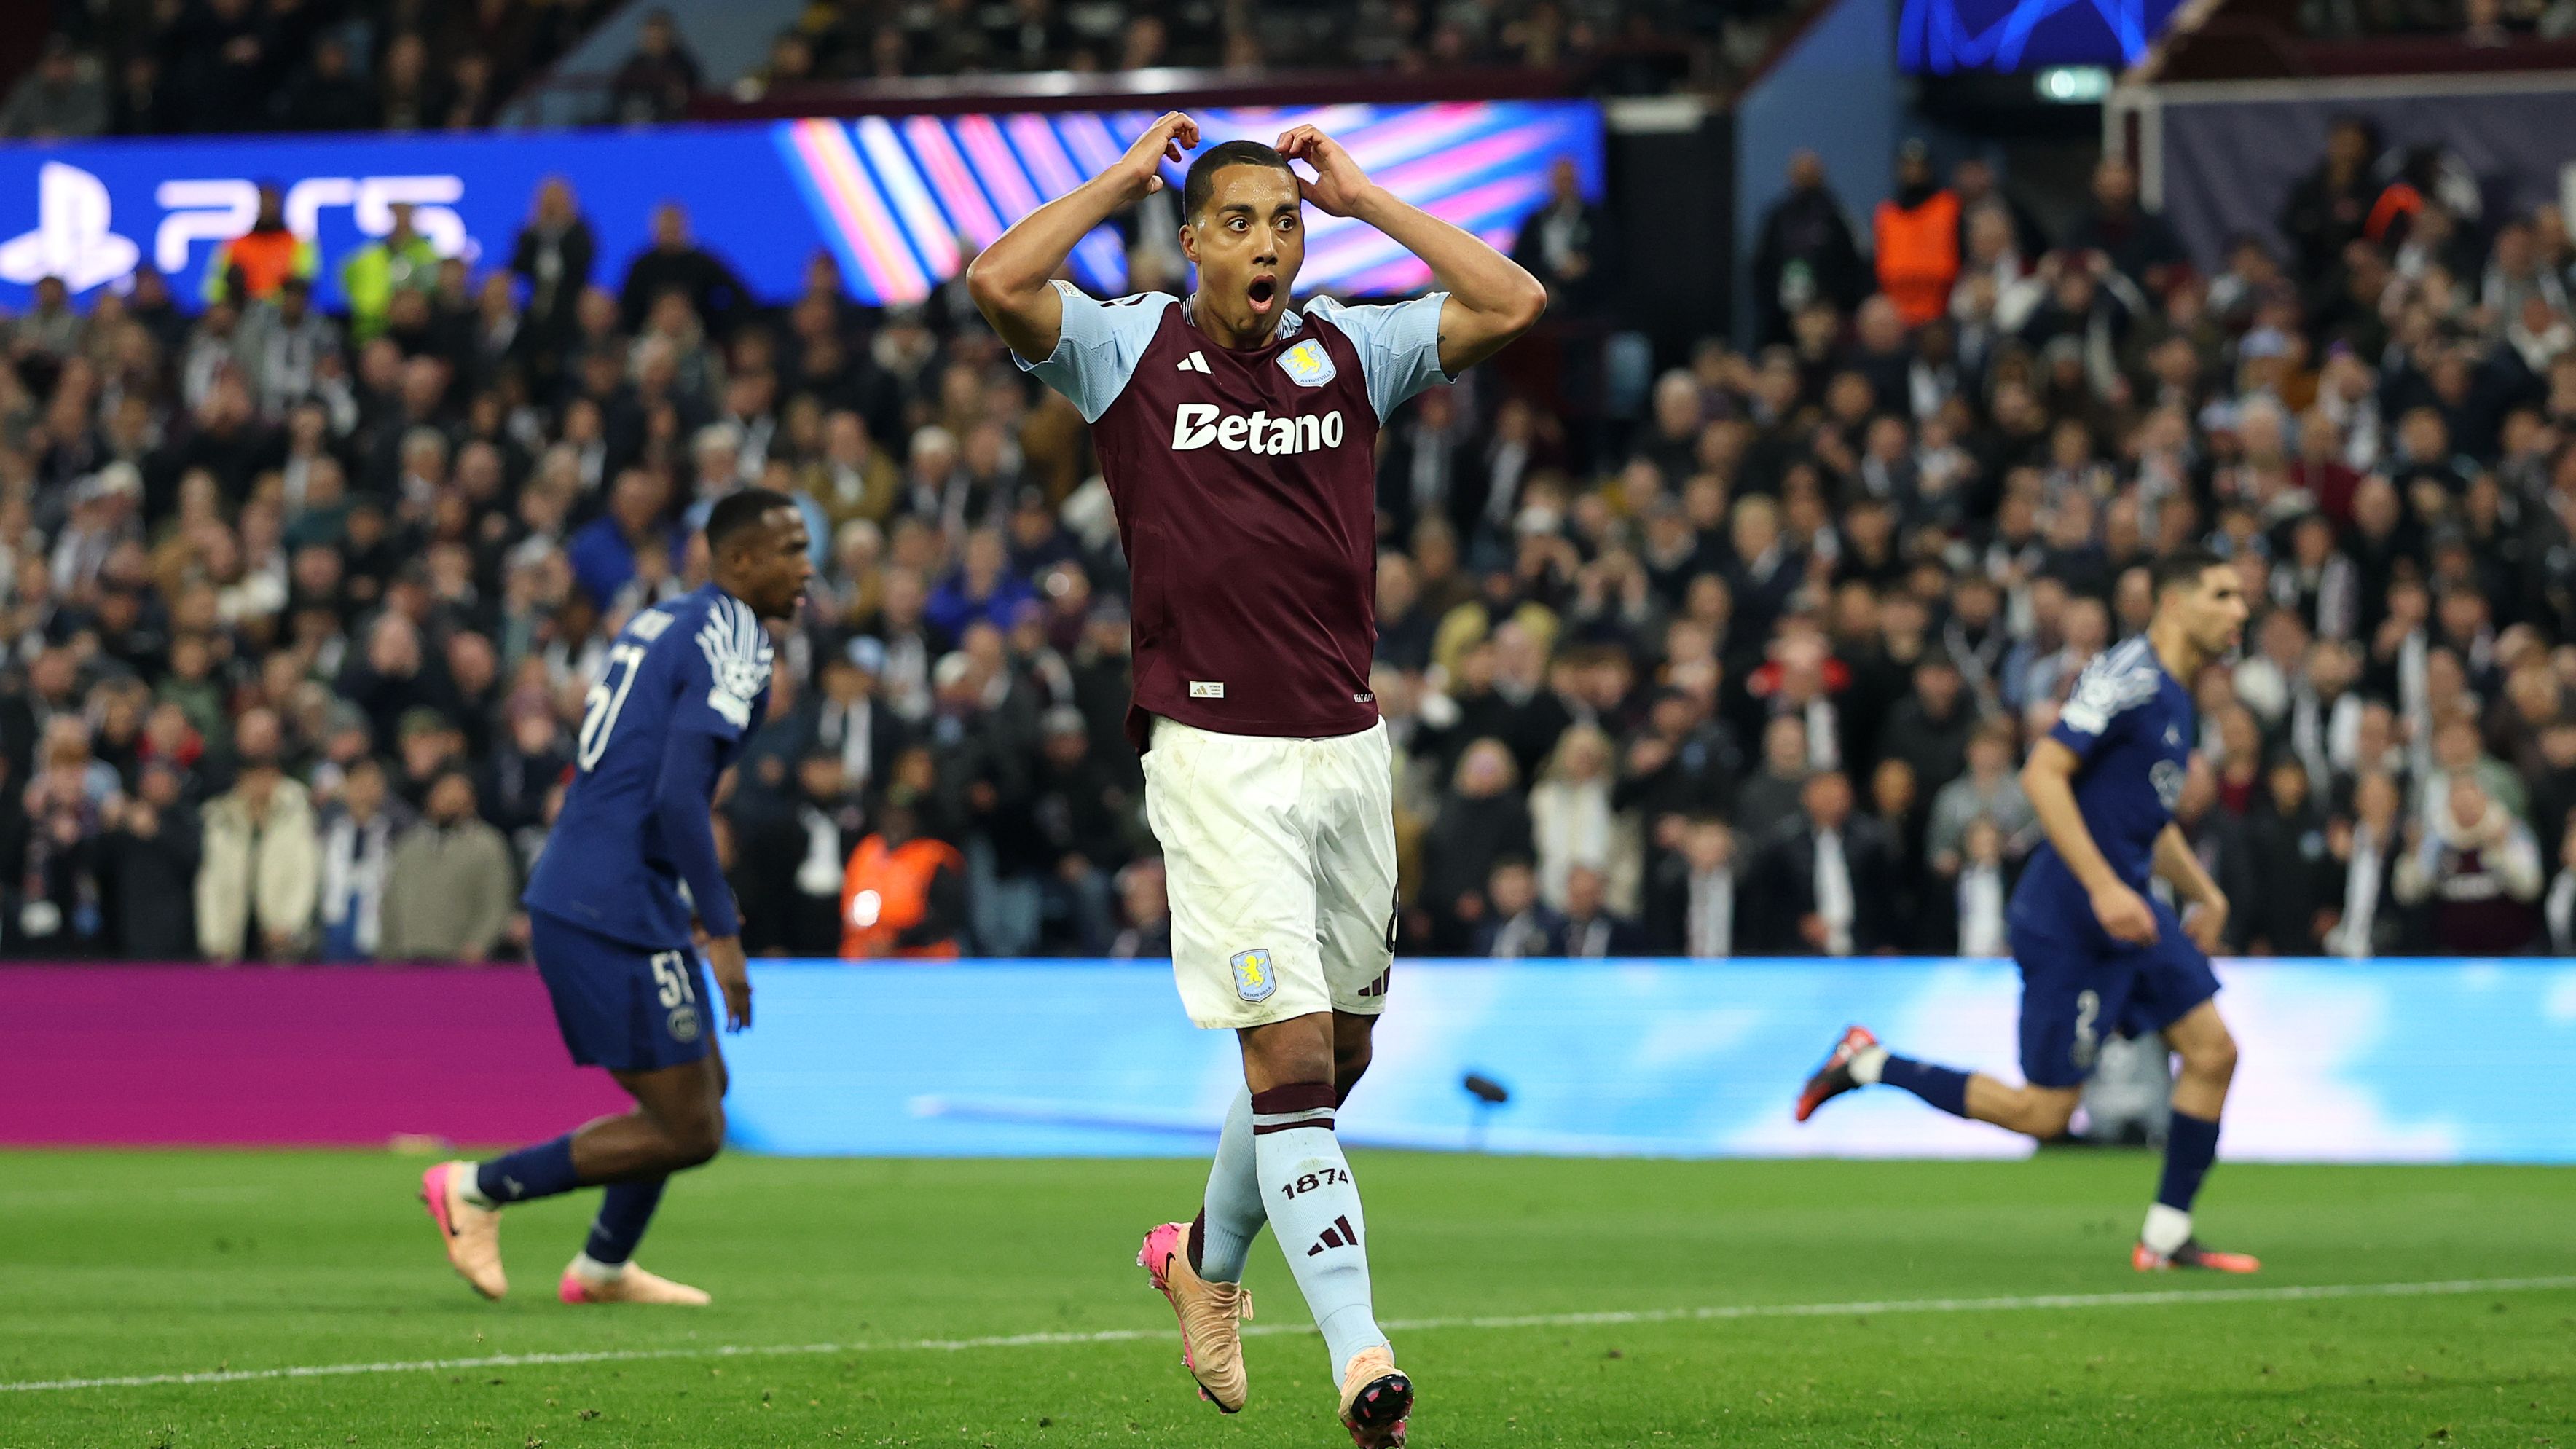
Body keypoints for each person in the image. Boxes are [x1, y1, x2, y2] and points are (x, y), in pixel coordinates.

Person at [969, 111, 1543, 1445]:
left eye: (1285, 221)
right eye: (1240, 221)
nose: (1269, 242)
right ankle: (1362, 1351)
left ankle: (1201, 1263)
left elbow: (1510, 299)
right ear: (1190, 243)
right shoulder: (1127, 350)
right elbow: (1000, 284)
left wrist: (1366, 196)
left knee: (1336, 1053)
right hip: (1215, 750)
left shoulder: (1353, 343)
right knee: (1284, 1052)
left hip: (1346, 743)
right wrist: (1121, 174)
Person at [1796, 548, 2260, 1274]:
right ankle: (1868, 1062)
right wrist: (2104, 888)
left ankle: (2166, 1238)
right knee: (2042, 1114)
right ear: (2174, 603)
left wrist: (2204, 891)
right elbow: (2041, 772)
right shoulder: (2125, 676)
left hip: (2129, 910)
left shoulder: (2178, 696)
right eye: (2223, 594)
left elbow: (2144, 817)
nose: (2240, 609)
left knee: (2211, 1052)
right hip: (2071, 915)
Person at [417, 489, 811, 1309]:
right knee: (691, 1128)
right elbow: (677, 798)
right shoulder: (738, 637)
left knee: (705, 1095)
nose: (807, 569)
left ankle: (602, 1267)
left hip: (615, 889)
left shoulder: (664, 619)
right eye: (791, 550)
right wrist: (724, 931)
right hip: (610, 903)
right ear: (738, 562)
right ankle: (476, 1188)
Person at [377, 769, 519, 962]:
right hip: (407, 957)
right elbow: (390, 901)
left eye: (458, 795)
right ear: (430, 798)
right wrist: (388, 951)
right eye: (443, 793)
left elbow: (496, 903)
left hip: (459, 960)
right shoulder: (408, 846)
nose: (449, 800)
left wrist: (478, 944)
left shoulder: (488, 845)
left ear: (472, 801)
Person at [838, 798, 967, 958]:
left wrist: (897, 941)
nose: (894, 822)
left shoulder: (934, 857)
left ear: (914, 820)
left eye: (902, 816)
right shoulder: (866, 850)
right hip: (865, 957)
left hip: (920, 960)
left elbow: (945, 918)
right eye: (889, 815)